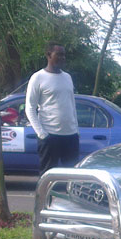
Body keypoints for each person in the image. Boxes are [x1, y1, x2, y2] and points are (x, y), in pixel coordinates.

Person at [25, 42, 79, 173]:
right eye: (59, 55)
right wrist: (42, 133)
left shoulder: (67, 77)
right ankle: (44, 195)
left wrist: (76, 130)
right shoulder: (38, 77)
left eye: (64, 55)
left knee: (73, 176)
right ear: (48, 55)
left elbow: (72, 105)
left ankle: (70, 195)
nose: (62, 58)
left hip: (70, 135)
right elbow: (30, 108)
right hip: (50, 135)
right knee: (48, 176)